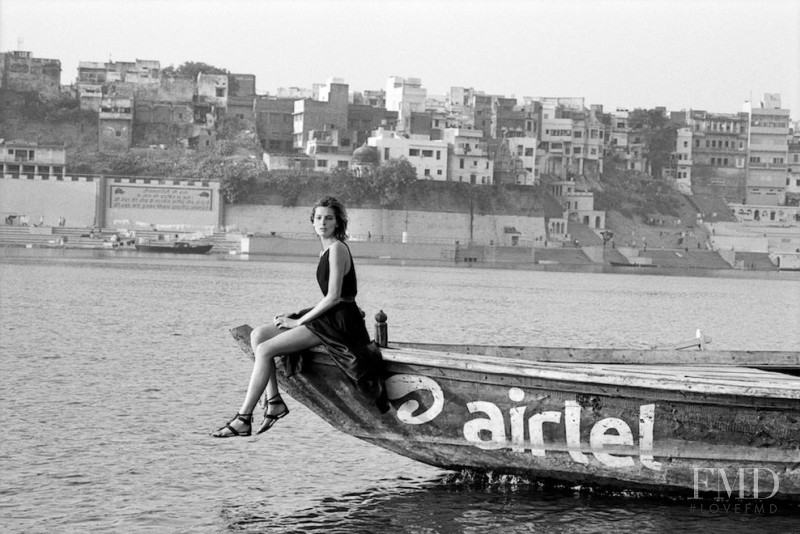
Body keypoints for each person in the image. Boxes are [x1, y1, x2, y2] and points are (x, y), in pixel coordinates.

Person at [212, 196, 384, 438]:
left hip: (340, 323)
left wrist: (298, 321)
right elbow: (333, 297)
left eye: (329, 218)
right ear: (313, 222)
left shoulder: (337, 249)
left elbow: (335, 297)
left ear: (338, 223)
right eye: (319, 218)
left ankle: (243, 418)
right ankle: (274, 401)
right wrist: (300, 313)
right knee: (258, 335)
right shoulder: (325, 250)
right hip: (330, 316)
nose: (323, 222)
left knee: (264, 350)